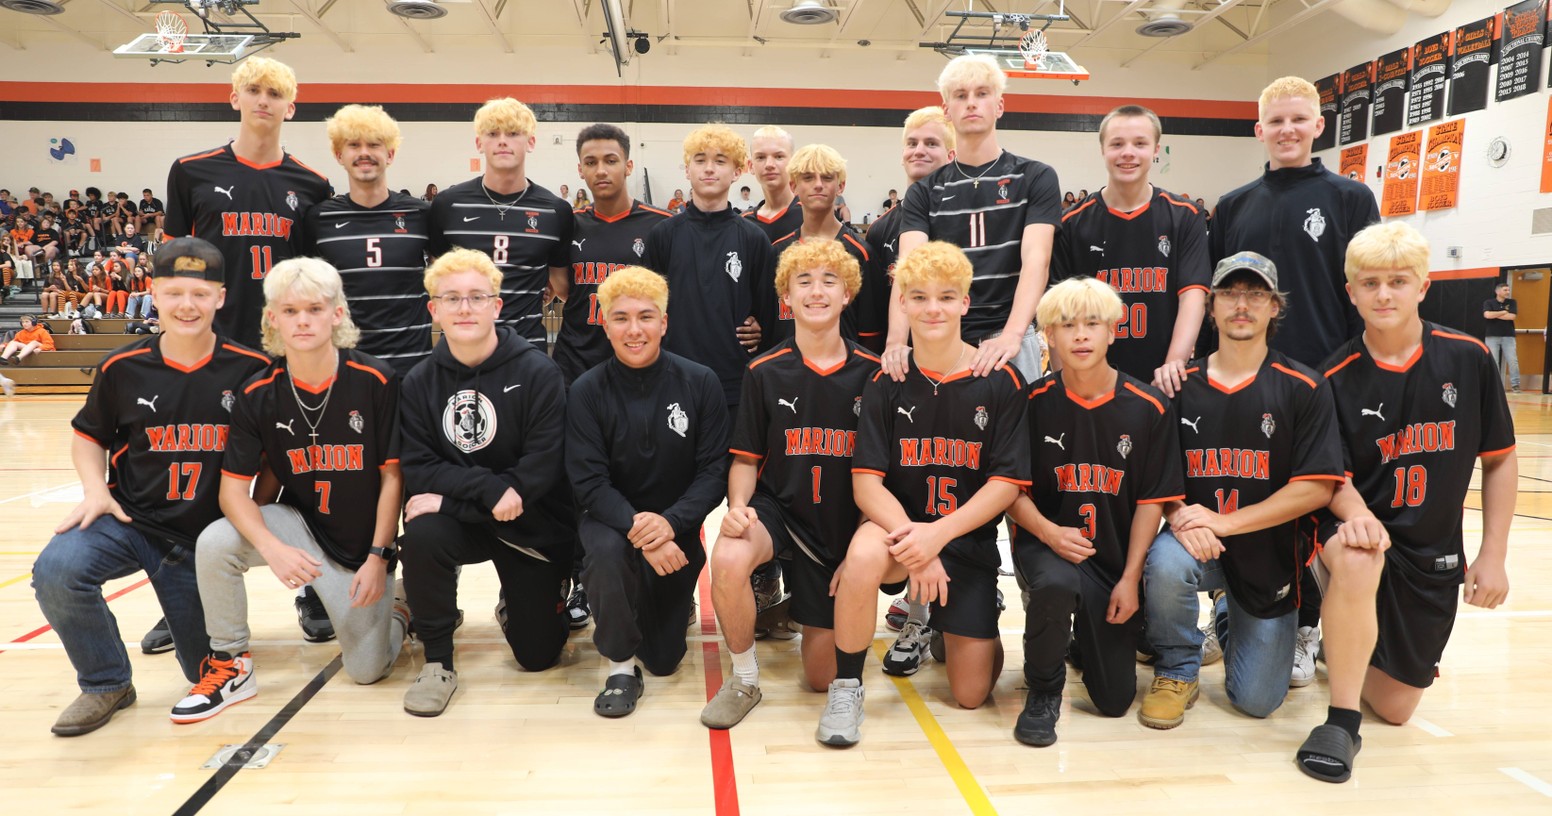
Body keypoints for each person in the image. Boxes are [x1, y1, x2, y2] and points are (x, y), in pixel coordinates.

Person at [1300, 222, 1516, 783]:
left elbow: (1499, 458)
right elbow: (1330, 478)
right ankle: (1341, 722)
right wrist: (1361, 517)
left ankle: (1343, 641)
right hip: (1360, 532)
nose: (1384, 295)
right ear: (1351, 292)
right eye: (1369, 283)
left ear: (1424, 285)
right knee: (1356, 556)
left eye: (1398, 281)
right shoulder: (1333, 375)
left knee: (1396, 710)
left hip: (1432, 551)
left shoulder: (1468, 360)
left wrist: (1493, 555)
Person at [31, 237, 271, 736]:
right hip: (131, 519)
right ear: (154, 294)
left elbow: (277, 457)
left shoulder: (252, 369)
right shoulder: (122, 367)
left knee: (204, 673)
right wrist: (95, 490)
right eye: (174, 292)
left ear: (221, 298)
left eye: (201, 294)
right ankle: (105, 683)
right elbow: (87, 436)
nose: (188, 305)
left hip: (201, 542)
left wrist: (253, 514)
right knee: (56, 569)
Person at [171, 257, 406, 722]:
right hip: (298, 525)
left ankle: (399, 609)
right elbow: (232, 492)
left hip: (359, 549)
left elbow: (392, 477)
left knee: (367, 670)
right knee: (216, 541)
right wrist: (272, 548)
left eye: (315, 309)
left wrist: (379, 557)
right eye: (290, 310)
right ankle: (231, 661)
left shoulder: (377, 379)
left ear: (337, 314)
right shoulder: (257, 393)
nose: (303, 320)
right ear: (272, 318)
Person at [819, 241, 1029, 747]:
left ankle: (957, 623)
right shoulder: (886, 381)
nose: (932, 308)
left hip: (963, 541)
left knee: (972, 693)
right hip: (898, 534)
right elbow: (866, 484)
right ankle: (846, 687)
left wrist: (937, 538)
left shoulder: (1000, 380)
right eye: (918, 297)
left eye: (945, 296)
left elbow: (1005, 485)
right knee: (863, 553)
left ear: (965, 302)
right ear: (904, 305)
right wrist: (917, 544)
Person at [1208, 75, 1380, 686]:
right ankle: (1237, 609)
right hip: (1250, 381)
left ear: (1317, 126)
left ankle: (1312, 627)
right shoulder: (1233, 205)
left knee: (1317, 506)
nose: (1286, 130)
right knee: (1249, 494)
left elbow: (1366, 287)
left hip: (1325, 381)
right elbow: (1221, 297)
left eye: (1297, 120)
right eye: (1274, 121)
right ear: (1259, 130)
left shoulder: (1351, 197)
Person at [1139, 251, 1343, 731]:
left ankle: (1229, 616)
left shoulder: (1303, 386)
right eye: (1229, 294)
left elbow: (1316, 487)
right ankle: (1177, 666)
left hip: (1267, 550)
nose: (1241, 305)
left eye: (1255, 294)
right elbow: (1155, 477)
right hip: (1194, 541)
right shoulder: (1178, 384)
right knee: (1166, 562)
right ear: (1210, 308)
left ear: (1275, 306)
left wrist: (1224, 522)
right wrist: (1180, 517)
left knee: (1256, 701)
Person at [702, 239, 877, 729]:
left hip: (841, 527)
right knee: (730, 553)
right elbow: (744, 459)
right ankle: (744, 678)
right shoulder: (763, 371)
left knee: (820, 676)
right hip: (780, 512)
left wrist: (860, 548)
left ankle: (795, 609)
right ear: (786, 298)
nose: (816, 291)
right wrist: (738, 505)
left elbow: (885, 476)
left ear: (848, 295)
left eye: (829, 281)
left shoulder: (876, 372)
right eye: (804, 281)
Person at [395, 248, 574, 717]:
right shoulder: (418, 382)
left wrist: (468, 495)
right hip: (473, 517)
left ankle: (517, 600)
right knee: (422, 531)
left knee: (539, 658)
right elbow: (419, 467)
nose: (465, 308)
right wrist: (489, 490)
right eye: (451, 298)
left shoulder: (538, 371)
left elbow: (544, 464)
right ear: (433, 309)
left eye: (477, 297)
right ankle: (437, 661)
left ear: (497, 305)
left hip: (529, 520)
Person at [1010, 276, 1183, 747]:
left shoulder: (1150, 407)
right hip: (1049, 548)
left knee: (1113, 701)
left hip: (1111, 559)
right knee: (1057, 583)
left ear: (1113, 330)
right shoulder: (1030, 403)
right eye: (1067, 325)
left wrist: (1130, 578)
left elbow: (1152, 501)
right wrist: (1048, 533)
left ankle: (1082, 639)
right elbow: (1009, 492)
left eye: (1092, 323)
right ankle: (1044, 691)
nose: (1080, 335)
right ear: (1048, 335)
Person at [566, 266, 728, 716]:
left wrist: (671, 524)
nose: (633, 330)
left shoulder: (700, 383)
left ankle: (659, 611)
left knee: (664, 660)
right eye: (620, 318)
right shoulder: (586, 391)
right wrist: (642, 529)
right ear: (603, 323)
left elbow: (714, 472)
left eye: (645, 317)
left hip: (676, 532)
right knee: (602, 549)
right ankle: (619, 666)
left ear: (664, 323)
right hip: (612, 525)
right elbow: (588, 483)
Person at [552, 122, 673, 627]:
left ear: (628, 164)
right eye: (590, 161)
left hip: (640, 375)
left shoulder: (660, 226)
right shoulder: (569, 226)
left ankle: (665, 574)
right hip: (576, 370)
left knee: (653, 473)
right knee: (575, 482)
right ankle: (579, 576)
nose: (601, 170)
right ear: (579, 168)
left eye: (610, 160)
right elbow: (561, 288)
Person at [893, 54, 1062, 384]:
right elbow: (908, 271)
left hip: (1010, 336)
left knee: (1016, 435)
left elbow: (1036, 261)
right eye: (960, 95)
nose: (971, 103)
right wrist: (896, 342)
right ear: (947, 110)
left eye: (982, 93)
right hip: (940, 334)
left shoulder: (1035, 177)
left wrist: (1012, 335)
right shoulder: (924, 192)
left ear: (999, 105)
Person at [164, 55, 334, 351]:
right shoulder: (189, 171)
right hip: (212, 334)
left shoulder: (314, 184)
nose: (263, 101)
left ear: (290, 109)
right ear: (235, 98)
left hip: (285, 336)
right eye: (253, 90)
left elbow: (313, 271)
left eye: (275, 94)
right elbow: (168, 264)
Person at [1053, 105, 1209, 388]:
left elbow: (1193, 297)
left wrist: (1174, 364)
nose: (1128, 152)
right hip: (1091, 383)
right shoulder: (1071, 224)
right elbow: (1057, 313)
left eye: (1140, 143)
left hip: (1163, 379)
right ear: (1102, 149)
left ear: (1156, 149)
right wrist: (1065, 380)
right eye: (1117, 144)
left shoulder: (1185, 216)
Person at [427, 97, 573, 342]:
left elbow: (563, 286)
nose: (503, 140)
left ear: (531, 142)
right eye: (493, 133)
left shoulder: (555, 211)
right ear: (479, 143)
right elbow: (437, 279)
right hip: (461, 350)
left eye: (514, 133)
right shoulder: (448, 205)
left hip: (527, 352)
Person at [305, 104, 434, 376]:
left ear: (390, 154)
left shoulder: (421, 214)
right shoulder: (318, 219)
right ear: (339, 154)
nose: (364, 152)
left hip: (411, 369)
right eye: (354, 144)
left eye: (374, 144)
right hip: (344, 369)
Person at [761, 144, 873, 350]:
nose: (818, 185)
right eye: (808, 178)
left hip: (846, 375)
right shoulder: (777, 251)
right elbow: (765, 323)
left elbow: (871, 335)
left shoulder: (860, 252)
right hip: (784, 373)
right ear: (793, 186)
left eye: (827, 177)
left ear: (841, 186)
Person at [743, 127, 803, 244]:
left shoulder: (811, 215)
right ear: (751, 166)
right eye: (761, 157)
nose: (769, 165)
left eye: (779, 156)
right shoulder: (744, 224)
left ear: (793, 162)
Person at [1482, 282, 1520, 393]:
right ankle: (1496, 385)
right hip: (1492, 336)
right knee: (1493, 361)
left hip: (1508, 336)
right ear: (1497, 291)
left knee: (1512, 360)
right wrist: (1503, 312)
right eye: (1505, 290)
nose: (1508, 292)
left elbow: (1512, 316)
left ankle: (1515, 385)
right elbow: (1487, 315)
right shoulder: (1488, 302)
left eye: (1508, 290)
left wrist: (1495, 314)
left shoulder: (1512, 302)